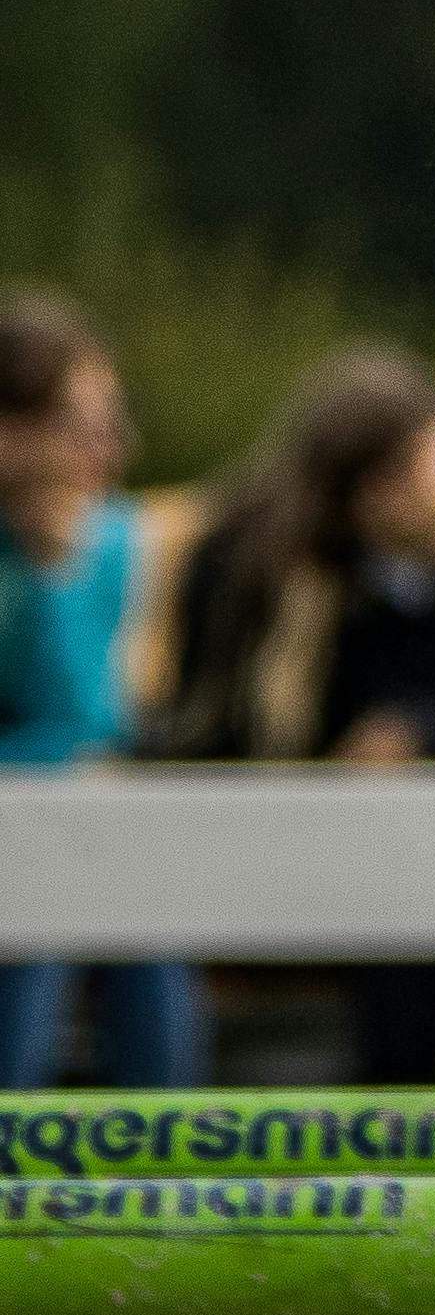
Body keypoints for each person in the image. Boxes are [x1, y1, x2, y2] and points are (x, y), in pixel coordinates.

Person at [159, 347, 435, 1083]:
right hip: (251, 843)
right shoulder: (237, 565)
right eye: (432, 473)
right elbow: (215, 736)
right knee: (427, 874)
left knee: (421, 873)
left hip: (394, 859)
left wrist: (410, 724)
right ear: (369, 488)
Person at [0, 293, 206, 1090]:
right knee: (43, 906)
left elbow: (90, 716)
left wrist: (55, 573)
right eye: (80, 425)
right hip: (30, 817)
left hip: (70, 812)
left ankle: (168, 1167)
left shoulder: (111, 540)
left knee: (134, 911)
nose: (109, 449)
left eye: (111, 421)